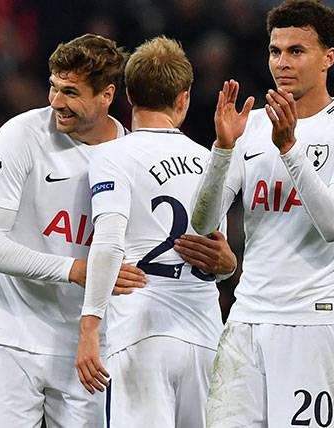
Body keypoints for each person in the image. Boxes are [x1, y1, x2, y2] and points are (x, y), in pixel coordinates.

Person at [0, 33, 233, 427]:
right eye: (53, 88)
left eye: (71, 93)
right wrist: (74, 269)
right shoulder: (20, 135)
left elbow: (168, 250)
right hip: (8, 337)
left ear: (107, 95)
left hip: (90, 348)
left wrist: (225, 263)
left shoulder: (130, 155)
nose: (55, 102)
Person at [191, 1, 334, 426]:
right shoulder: (251, 126)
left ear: (328, 57)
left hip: (315, 324)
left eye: (297, 51)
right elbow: (202, 223)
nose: (282, 62)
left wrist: (290, 150)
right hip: (246, 320)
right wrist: (222, 149)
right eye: (275, 51)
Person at [75, 36, 236, 428]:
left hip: (140, 334)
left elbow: (110, 241)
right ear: (183, 99)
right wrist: (229, 267)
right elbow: (218, 253)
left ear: (128, 96)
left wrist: (89, 326)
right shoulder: (211, 159)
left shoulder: (112, 156)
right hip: (204, 336)